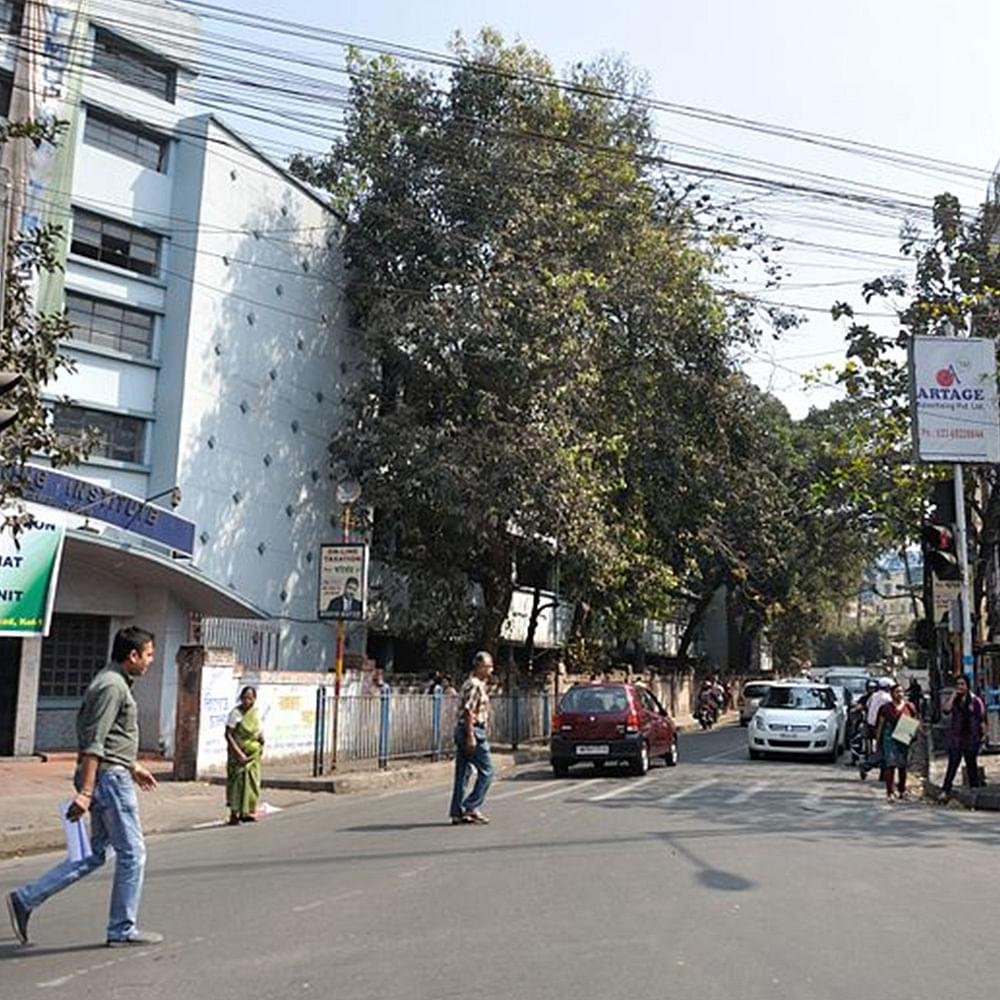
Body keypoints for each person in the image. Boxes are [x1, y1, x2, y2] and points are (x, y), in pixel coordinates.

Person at [6, 626, 163, 948]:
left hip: (112, 774)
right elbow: (94, 742)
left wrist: (133, 765)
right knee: (133, 854)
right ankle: (121, 929)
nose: (150, 662)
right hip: (108, 781)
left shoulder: (113, 681)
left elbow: (110, 738)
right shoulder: (111, 686)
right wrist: (87, 791)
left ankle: (26, 898)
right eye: (148, 655)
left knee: (92, 855)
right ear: (132, 655)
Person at [448, 651, 494, 825]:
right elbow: (469, 711)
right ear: (480, 667)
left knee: (463, 773)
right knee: (488, 772)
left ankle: (457, 812)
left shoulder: (470, 683)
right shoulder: (475, 685)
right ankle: (471, 806)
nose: (491, 670)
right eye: (489, 667)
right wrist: (471, 736)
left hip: (464, 730)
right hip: (472, 731)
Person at [940, 674, 986, 799]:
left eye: (962, 684)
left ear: (967, 686)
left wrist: (983, 736)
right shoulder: (955, 700)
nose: (960, 687)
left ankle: (974, 789)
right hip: (956, 737)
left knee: (971, 763)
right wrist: (953, 696)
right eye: (958, 684)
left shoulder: (975, 701)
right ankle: (946, 789)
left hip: (971, 737)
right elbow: (946, 710)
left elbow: (981, 719)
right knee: (953, 763)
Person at [225, 685, 265, 825]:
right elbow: (228, 735)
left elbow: (258, 730)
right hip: (238, 756)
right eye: (245, 698)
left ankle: (247, 812)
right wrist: (239, 753)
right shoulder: (235, 714)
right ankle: (234, 813)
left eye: (250, 698)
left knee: (252, 783)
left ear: (254, 699)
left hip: (252, 755)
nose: (247, 701)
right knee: (237, 784)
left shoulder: (255, 713)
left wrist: (261, 740)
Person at [875, 683, 917, 802]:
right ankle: (890, 792)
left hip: (904, 733)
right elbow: (881, 725)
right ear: (892, 694)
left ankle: (902, 790)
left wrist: (917, 733)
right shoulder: (886, 708)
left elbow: (914, 720)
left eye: (901, 692)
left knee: (902, 765)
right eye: (897, 692)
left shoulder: (909, 706)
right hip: (889, 737)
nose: (900, 694)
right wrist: (878, 741)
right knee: (891, 764)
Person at [859, 677, 893, 779]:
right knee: (885, 750)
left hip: (871, 725)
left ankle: (883, 775)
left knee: (884, 750)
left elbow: (867, 707)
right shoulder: (887, 698)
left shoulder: (873, 696)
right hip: (881, 727)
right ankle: (866, 765)